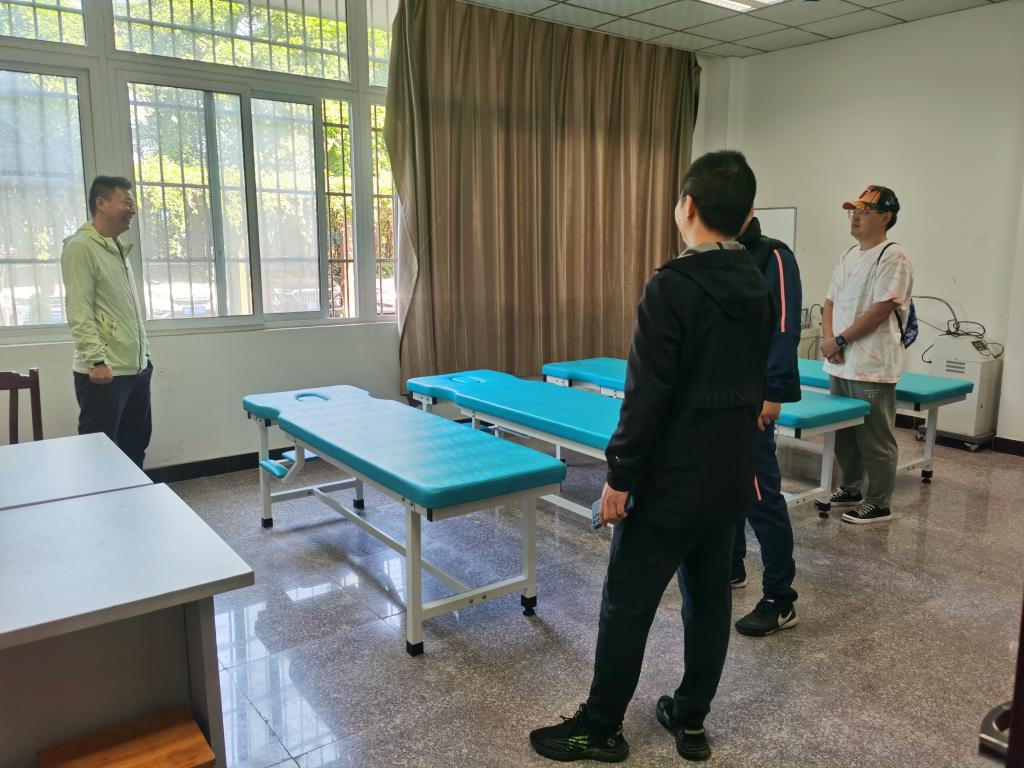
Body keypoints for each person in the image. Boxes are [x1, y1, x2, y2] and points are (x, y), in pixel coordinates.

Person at [529, 151, 774, 764]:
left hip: (670, 483)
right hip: (727, 479)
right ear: (747, 216)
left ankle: (601, 728)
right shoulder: (758, 285)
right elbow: (749, 388)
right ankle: (690, 718)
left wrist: (620, 476)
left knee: (627, 603)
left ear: (687, 206)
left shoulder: (673, 286)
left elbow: (646, 396)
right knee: (710, 603)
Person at [821, 186, 913, 524]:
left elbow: (881, 310)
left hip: (871, 363)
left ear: (885, 217)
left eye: (864, 211)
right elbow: (829, 301)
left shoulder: (893, 256)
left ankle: (879, 502)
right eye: (853, 212)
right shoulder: (848, 255)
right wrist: (829, 339)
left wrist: (839, 341)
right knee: (844, 433)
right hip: (840, 361)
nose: (855, 217)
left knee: (874, 436)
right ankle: (851, 488)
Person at [730, 217, 802, 636]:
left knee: (761, 497)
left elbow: (784, 327)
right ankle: (731, 565)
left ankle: (780, 598)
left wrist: (772, 393)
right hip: (718, 400)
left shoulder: (773, 254)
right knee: (725, 488)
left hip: (753, 399)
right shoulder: (715, 253)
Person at [62, 176, 153, 468]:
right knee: (101, 457)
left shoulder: (117, 248)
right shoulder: (81, 247)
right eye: (126, 202)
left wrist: (145, 360)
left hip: (135, 368)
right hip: (104, 372)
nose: (133, 210)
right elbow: (79, 310)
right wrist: (96, 360)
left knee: (135, 449)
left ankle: (133, 499)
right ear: (100, 203)